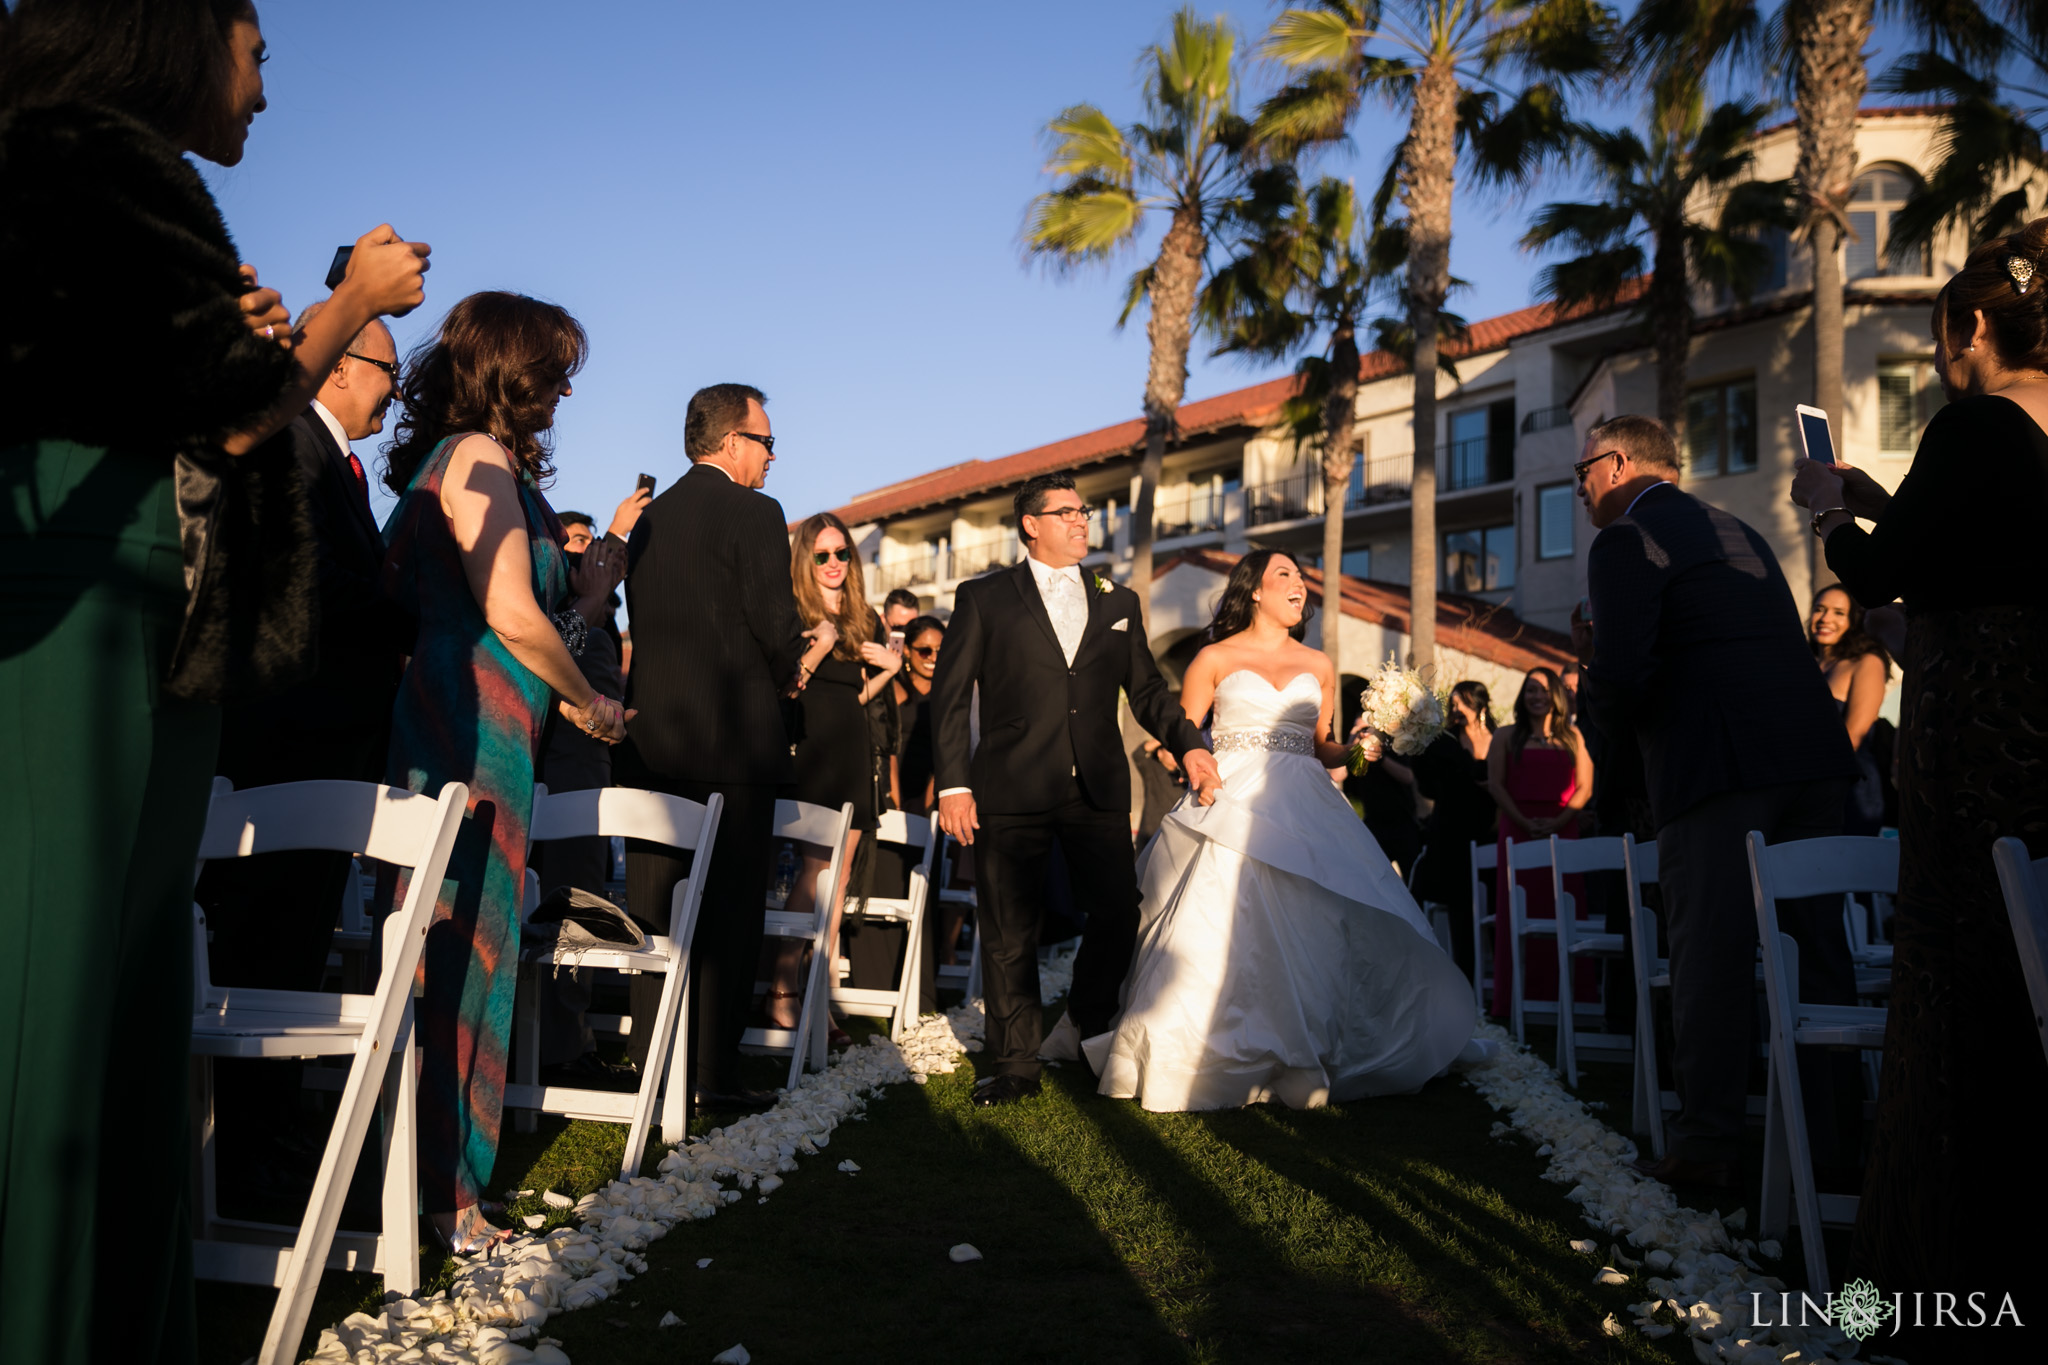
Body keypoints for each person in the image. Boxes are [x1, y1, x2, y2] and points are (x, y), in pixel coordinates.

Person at [0, 3, 429, 1357]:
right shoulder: (74, 152)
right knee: (54, 1007)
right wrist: (346, 305)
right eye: (257, 55)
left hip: (157, 607)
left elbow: (188, 390)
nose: (262, 93)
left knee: (124, 1015)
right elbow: (237, 410)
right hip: (88, 586)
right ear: (173, 38)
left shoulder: (113, 172)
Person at [1792, 219, 2048, 1349]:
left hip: (1977, 721)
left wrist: (1830, 508)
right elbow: (1976, 549)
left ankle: (1933, 1285)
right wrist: (1882, 497)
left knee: (1954, 980)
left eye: (1945, 338)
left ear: (1973, 327)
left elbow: (1884, 571)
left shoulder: (1976, 420)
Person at [377, 292, 623, 1254]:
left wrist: (581, 627)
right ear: (512, 369)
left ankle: (440, 1183)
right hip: (471, 730)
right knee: (463, 961)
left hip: (475, 716)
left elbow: (524, 624)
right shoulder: (478, 459)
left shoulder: (471, 461)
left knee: (457, 951)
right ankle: (449, 1196)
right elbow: (514, 617)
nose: (563, 390)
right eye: (555, 370)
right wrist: (592, 703)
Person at [1576, 413, 1859, 1192]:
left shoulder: (1626, 538)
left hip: (1721, 761)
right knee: (1818, 954)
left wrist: (1596, 719)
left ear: (1621, 462)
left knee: (1710, 948)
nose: (1581, 487)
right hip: (1810, 754)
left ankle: (1706, 1147)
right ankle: (1833, 1140)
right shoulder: (1736, 527)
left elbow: (1626, 667)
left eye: (1583, 471)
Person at [1082, 550, 1473, 1109]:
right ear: (1256, 592)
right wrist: (1195, 764)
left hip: (1305, 801)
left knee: (1317, 920)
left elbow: (1322, 746)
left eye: (1300, 577)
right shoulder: (1212, 657)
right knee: (1214, 923)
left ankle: (1309, 1046)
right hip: (1231, 797)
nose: (1298, 584)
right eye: (1284, 575)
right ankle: (1194, 1050)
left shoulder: (1319, 664)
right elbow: (1184, 732)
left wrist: (1362, 750)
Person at [195, 302, 412, 1201]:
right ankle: (253, 1157)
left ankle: (271, 1139)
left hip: (325, 743)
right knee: (267, 954)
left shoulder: (341, 463)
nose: (395, 392)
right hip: (292, 740)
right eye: (388, 371)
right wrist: (417, 613)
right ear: (339, 365)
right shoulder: (297, 448)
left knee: (295, 946)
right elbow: (315, 580)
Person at [931, 471, 1222, 1106]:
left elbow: (1147, 692)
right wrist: (953, 784)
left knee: (1119, 909)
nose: (1081, 521)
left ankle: (1086, 1022)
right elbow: (949, 699)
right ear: (1031, 525)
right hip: (1008, 784)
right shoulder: (983, 598)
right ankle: (1014, 1065)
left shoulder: (1118, 601)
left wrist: (1192, 744)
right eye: (1066, 512)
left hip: (1097, 786)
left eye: (1083, 511)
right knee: (1010, 929)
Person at [618, 384, 831, 1113]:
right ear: (731, 442)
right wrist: (791, 674)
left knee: (655, 910)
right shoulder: (755, 511)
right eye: (766, 441)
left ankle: (654, 1063)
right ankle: (712, 1072)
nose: (773, 456)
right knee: (731, 911)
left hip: (653, 743)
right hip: (736, 742)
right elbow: (775, 623)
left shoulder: (649, 521)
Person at [527, 493, 648, 1081]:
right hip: (546, 782)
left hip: (580, 788)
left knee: (576, 921)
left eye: (591, 541)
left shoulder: (601, 626)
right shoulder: (550, 618)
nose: (586, 550)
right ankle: (555, 1052)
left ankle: (566, 1047)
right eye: (573, 541)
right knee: (554, 922)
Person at [767, 513, 901, 1036]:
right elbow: (788, 689)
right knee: (816, 873)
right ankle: (781, 989)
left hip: (853, 751)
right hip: (813, 752)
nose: (832, 563)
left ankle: (817, 995)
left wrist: (889, 673)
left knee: (839, 882)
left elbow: (854, 696)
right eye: (821, 554)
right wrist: (819, 642)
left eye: (841, 553)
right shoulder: (792, 609)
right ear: (805, 557)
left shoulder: (864, 615)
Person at [1484, 668, 1595, 1019]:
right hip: (1517, 830)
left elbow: (1585, 787)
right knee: (1517, 912)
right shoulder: (1504, 736)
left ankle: (1569, 1000)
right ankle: (1514, 1002)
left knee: (1564, 912)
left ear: (1557, 696)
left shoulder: (1573, 737)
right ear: (1522, 695)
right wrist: (1523, 821)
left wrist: (1559, 823)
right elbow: (1495, 784)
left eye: (1545, 690)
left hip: (1563, 831)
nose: (1538, 696)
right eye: (1531, 689)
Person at [1410, 681, 1498, 981]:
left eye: (1465, 702)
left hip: (1493, 830)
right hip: (1452, 833)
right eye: (1454, 704)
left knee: (1498, 905)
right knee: (1460, 909)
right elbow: (1427, 786)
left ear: (1481, 704)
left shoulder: (1500, 739)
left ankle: (1500, 981)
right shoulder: (1443, 742)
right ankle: (1462, 979)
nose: (1458, 710)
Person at [1806, 584, 1891, 836]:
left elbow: (1853, 736)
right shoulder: (1803, 662)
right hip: (1801, 786)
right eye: (1819, 609)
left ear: (1854, 620)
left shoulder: (1867, 662)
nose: (1825, 619)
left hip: (1849, 791)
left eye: (1838, 613)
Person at [891, 615, 945, 819]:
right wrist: (895, 801)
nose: (933, 658)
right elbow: (885, 749)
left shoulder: (948, 697)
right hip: (890, 794)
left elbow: (949, 753)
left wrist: (925, 801)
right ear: (907, 650)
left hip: (932, 800)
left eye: (940, 651)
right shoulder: (892, 690)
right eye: (924, 651)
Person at [1133, 738, 1187, 847]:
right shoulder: (1152, 769)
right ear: (1159, 753)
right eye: (1169, 751)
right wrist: (1164, 737)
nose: (1173, 755)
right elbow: (1138, 754)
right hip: (1151, 830)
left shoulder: (1183, 776)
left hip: (1175, 831)